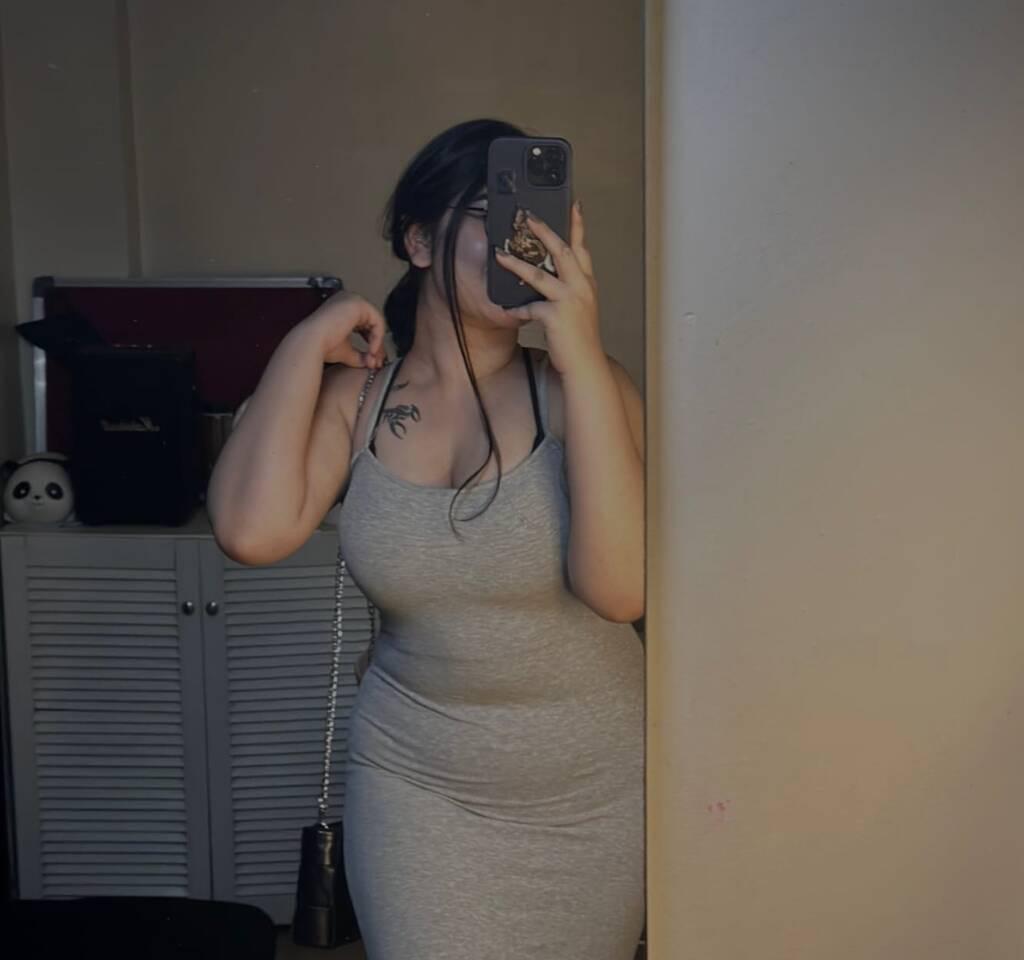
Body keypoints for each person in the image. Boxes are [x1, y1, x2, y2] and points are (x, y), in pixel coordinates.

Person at [207, 118, 645, 960]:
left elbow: (618, 589)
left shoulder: (583, 391)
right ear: (417, 240)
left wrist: (583, 353)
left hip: (591, 796)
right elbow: (250, 532)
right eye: (492, 215)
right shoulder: (358, 400)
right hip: (416, 786)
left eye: (540, 223)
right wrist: (304, 345)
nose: (521, 243)